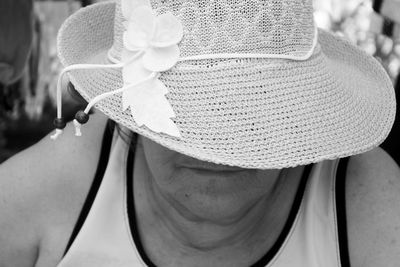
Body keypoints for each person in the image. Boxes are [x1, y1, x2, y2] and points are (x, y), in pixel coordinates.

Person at [0, 0, 399, 266]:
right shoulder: (43, 190)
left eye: (252, 107)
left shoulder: (369, 206)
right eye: (191, 114)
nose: (213, 150)